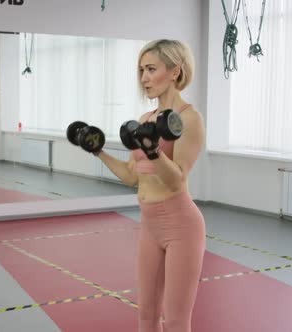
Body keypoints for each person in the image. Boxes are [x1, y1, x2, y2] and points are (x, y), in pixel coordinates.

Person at [96, 39, 205, 332]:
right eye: (141, 70)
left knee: (176, 320)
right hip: (149, 225)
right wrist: (98, 151)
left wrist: (153, 149)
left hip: (181, 224)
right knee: (146, 314)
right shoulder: (145, 120)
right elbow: (133, 176)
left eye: (151, 69)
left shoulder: (189, 119)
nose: (144, 77)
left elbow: (176, 178)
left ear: (174, 71)